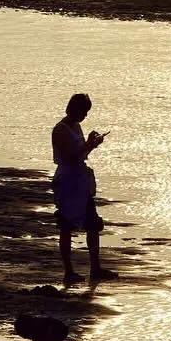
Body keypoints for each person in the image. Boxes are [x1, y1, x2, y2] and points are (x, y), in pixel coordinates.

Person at [51, 93, 114, 284]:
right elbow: (70, 156)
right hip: (68, 181)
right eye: (84, 111)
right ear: (75, 109)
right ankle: (69, 271)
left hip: (80, 181)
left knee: (92, 223)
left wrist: (92, 145)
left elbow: (81, 154)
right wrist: (87, 144)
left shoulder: (75, 127)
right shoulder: (60, 130)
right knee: (66, 226)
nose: (85, 115)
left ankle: (95, 268)